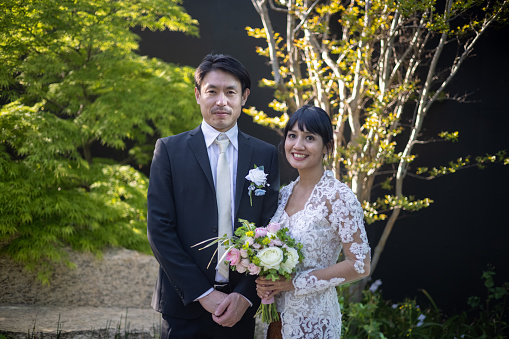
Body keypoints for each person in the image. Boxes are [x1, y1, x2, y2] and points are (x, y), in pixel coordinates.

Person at [147, 54, 280, 339]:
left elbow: (270, 226)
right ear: (198, 95)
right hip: (184, 306)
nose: (221, 101)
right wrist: (203, 293)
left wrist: (244, 296)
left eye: (230, 92)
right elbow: (159, 230)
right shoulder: (169, 151)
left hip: (238, 308)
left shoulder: (265, 155)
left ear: (244, 97)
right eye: (212, 91)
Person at [256, 105, 371, 338]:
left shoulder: (338, 197)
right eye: (292, 136)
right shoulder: (283, 195)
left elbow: (360, 264)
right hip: (276, 320)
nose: (298, 145)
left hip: (314, 321)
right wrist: (267, 281)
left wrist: (295, 282)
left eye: (309, 138)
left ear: (327, 146)